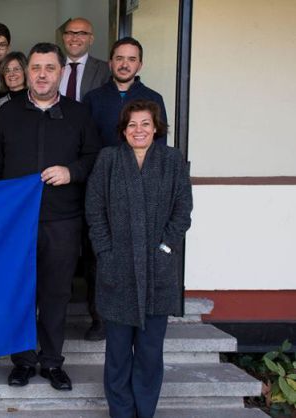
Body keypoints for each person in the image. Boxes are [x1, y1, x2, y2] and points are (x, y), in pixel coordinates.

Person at [0, 43, 101, 391]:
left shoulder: (79, 115)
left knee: (55, 294)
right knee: (20, 293)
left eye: (50, 68)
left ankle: (51, 362)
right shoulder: (8, 113)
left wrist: (72, 171)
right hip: (16, 224)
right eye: (36, 67)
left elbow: (96, 157)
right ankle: (22, 361)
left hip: (63, 221)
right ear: (27, 71)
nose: (41, 74)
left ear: (62, 72)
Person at [85, 99, 192, 418]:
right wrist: (105, 251)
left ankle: (144, 412)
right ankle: (121, 412)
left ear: (157, 127)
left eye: (145, 123)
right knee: (117, 353)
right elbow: (94, 209)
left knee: (149, 353)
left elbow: (182, 210)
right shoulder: (109, 159)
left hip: (157, 271)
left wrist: (166, 248)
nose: (139, 130)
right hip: (117, 270)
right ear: (123, 129)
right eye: (132, 124)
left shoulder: (172, 161)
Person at [84, 37, 168, 148]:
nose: (124, 65)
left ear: (140, 65)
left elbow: (160, 144)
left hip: (142, 165)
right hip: (102, 164)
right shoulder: (92, 98)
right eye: (119, 58)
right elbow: (85, 144)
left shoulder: (154, 98)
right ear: (110, 63)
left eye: (132, 59)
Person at [60, 18, 110, 102]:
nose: (74, 39)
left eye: (82, 34)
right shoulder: (52, 67)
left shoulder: (105, 70)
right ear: (63, 38)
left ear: (91, 40)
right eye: (69, 33)